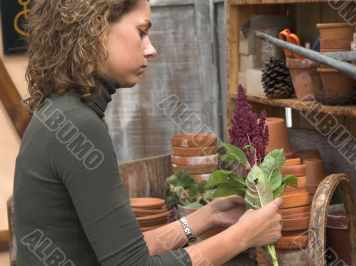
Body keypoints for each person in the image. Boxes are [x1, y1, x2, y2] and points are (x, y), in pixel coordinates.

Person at [13, 0, 283, 265]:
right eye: (141, 32)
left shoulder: (60, 114)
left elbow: (121, 251)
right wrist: (245, 235)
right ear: (97, 28)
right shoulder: (79, 125)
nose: (151, 49)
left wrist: (208, 215)